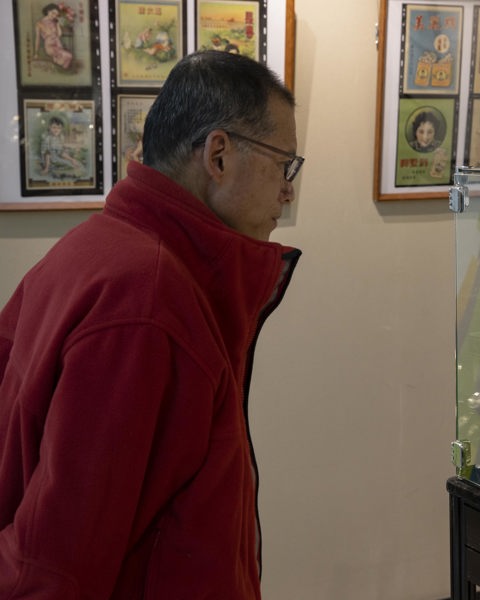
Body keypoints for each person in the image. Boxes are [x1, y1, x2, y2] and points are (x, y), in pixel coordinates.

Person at [0, 50, 302, 598]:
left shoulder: (95, 249)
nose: (288, 190)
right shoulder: (147, 297)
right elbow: (59, 562)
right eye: (285, 164)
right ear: (218, 155)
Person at [34, 3, 73, 69]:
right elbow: (37, 39)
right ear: (48, 11)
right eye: (53, 13)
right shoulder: (39, 23)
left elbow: (59, 34)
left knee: (69, 57)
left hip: (58, 45)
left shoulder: (54, 22)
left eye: (56, 15)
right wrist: (36, 53)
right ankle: (57, 61)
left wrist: (57, 24)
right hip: (50, 46)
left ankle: (58, 64)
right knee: (68, 56)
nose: (54, 16)